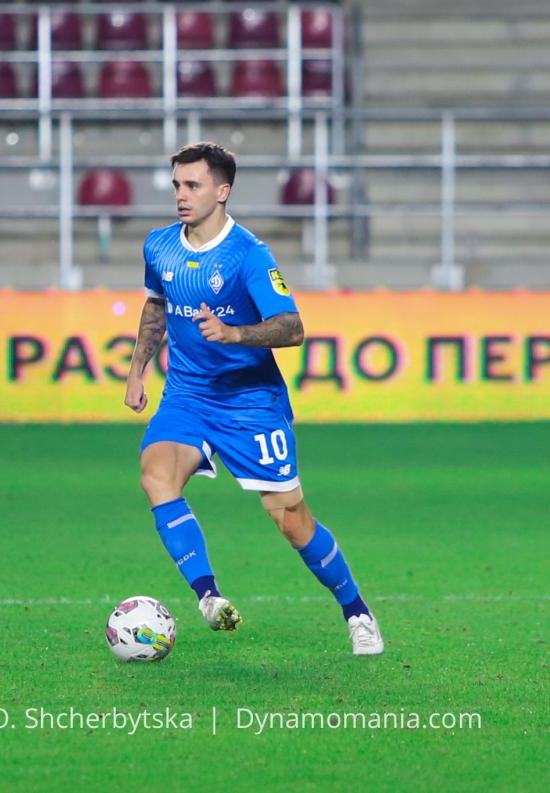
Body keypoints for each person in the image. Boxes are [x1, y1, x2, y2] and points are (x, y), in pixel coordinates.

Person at [123, 142, 384, 656]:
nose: (181, 195)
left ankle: (356, 611)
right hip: (188, 396)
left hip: (250, 402)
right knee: (156, 475)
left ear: (222, 191)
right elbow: (156, 306)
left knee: (290, 519)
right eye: (176, 185)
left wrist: (234, 334)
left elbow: (293, 327)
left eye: (193, 185)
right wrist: (137, 370)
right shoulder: (159, 246)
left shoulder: (248, 255)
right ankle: (208, 596)